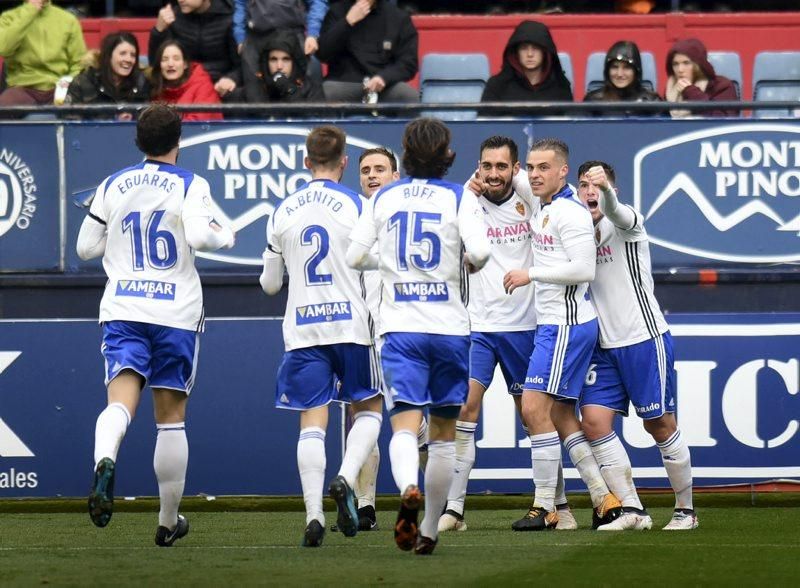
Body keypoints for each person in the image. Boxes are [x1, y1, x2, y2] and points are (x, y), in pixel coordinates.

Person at [76, 104, 235, 546]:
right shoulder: (191, 183)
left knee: (119, 402)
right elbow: (204, 237)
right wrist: (228, 233)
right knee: (171, 421)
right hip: (175, 314)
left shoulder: (113, 184)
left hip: (125, 308)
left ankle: (105, 459)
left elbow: (86, 248)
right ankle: (167, 522)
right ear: (178, 140)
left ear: (138, 140)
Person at [347, 118, 491, 555]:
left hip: (400, 327)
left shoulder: (385, 196)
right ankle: (428, 527)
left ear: (404, 156)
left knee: (406, 423)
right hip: (449, 327)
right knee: (445, 432)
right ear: (446, 155)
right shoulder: (459, 196)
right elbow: (481, 252)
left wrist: (391, 263)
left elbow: (355, 255)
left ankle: (408, 485)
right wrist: (465, 261)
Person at [436, 136, 577, 534]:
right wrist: (468, 188)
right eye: (487, 166)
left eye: (502, 166)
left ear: (515, 169)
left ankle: (556, 505)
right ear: (477, 167)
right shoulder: (467, 200)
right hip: (478, 326)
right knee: (465, 408)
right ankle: (455, 509)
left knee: (534, 419)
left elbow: (541, 186)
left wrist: (515, 178)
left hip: (525, 326)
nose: (493, 173)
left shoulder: (529, 198)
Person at [259, 125, 384, 548]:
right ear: (345, 162)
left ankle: (314, 516)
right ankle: (347, 477)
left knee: (311, 422)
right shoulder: (359, 205)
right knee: (369, 408)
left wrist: (273, 259)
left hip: (303, 328)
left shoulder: (282, 211)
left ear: (305, 161)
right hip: (352, 324)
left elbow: (271, 285)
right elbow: (376, 264)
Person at [503, 139, 621, 531]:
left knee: (533, 410)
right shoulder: (545, 202)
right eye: (531, 168)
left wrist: (530, 274)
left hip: (566, 327)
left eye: (542, 168)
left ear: (562, 172)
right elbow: (502, 172)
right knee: (559, 414)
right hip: (555, 324)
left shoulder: (569, 213)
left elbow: (584, 270)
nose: (534, 175)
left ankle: (545, 506)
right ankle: (604, 497)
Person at [575, 160, 697, 531]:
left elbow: (617, 210)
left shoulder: (626, 222)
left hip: (643, 338)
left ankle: (685, 510)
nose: (591, 191)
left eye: (599, 184)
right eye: (584, 185)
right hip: (602, 345)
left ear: (612, 190)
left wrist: (608, 195)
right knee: (594, 424)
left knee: (659, 424)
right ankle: (633, 510)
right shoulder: (575, 232)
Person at [317, 0, 419, 104]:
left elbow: (408, 62)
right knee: (324, 93)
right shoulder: (336, 11)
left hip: (384, 86)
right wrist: (347, 22)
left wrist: (384, 77)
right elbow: (322, 53)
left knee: (409, 96)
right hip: (345, 84)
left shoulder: (398, 16)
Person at [0, 0, 86, 113]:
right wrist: (30, 11)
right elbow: (4, 48)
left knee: (82, 108)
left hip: (60, 87)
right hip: (22, 88)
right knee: (3, 108)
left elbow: (80, 62)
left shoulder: (68, 20)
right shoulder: (8, 17)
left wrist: (68, 81)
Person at [149, 0, 243, 102]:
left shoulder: (229, 17)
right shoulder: (174, 17)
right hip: (183, 87)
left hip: (219, 86)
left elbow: (241, 64)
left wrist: (231, 79)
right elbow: (156, 64)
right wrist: (159, 31)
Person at [236, 0, 329, 103]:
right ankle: (265, 118)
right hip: (256, 36)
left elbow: (317, 2)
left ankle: (300, 118)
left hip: (293, 34)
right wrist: (239, 35)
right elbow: (240, 4)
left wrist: (312, 33)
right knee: (254, 94)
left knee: (304, 92)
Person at [480, 20, 572, 116]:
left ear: (545, 52)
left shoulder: (561, 86)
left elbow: (568, 127)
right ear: (516, 53)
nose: (530, 54)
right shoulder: (498, 85)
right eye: (524, 48)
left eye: (536, 48)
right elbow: (485, 126)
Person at [65, 31, 150, 120]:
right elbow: (69, 119)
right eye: (123, 53)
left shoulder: (141, 82)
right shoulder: (83, 82)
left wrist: (132, 118)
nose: (129, 59)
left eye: (133, 55)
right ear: (108, 56)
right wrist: (114, 118)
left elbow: (147, 118)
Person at [583, 40, 663, 116]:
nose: (620, 74)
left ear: (636, 71)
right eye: (614, 67)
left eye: (627, 68)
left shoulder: (651, 102)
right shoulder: (593, 101)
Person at [150, 40, 224, 121]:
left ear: (185, 64)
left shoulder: (203, 85)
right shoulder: (158, 90)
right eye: (165, 59)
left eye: (176, 59)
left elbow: (197, 123)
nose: (170, 64)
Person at [665, 38, 738, 118]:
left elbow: (721, 120)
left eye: (686, 63)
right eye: (675, 64)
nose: (680, 70)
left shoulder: (722, 86)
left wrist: (691, 91)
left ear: (698, 65)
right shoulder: (672, 88)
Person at [251, 30, 324, 105]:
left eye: (286, 59)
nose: (279, 66)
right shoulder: (253, 89)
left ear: (295, 62)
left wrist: (288, 89)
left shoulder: (311, 91)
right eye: (273, 59)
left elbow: (310, 115)